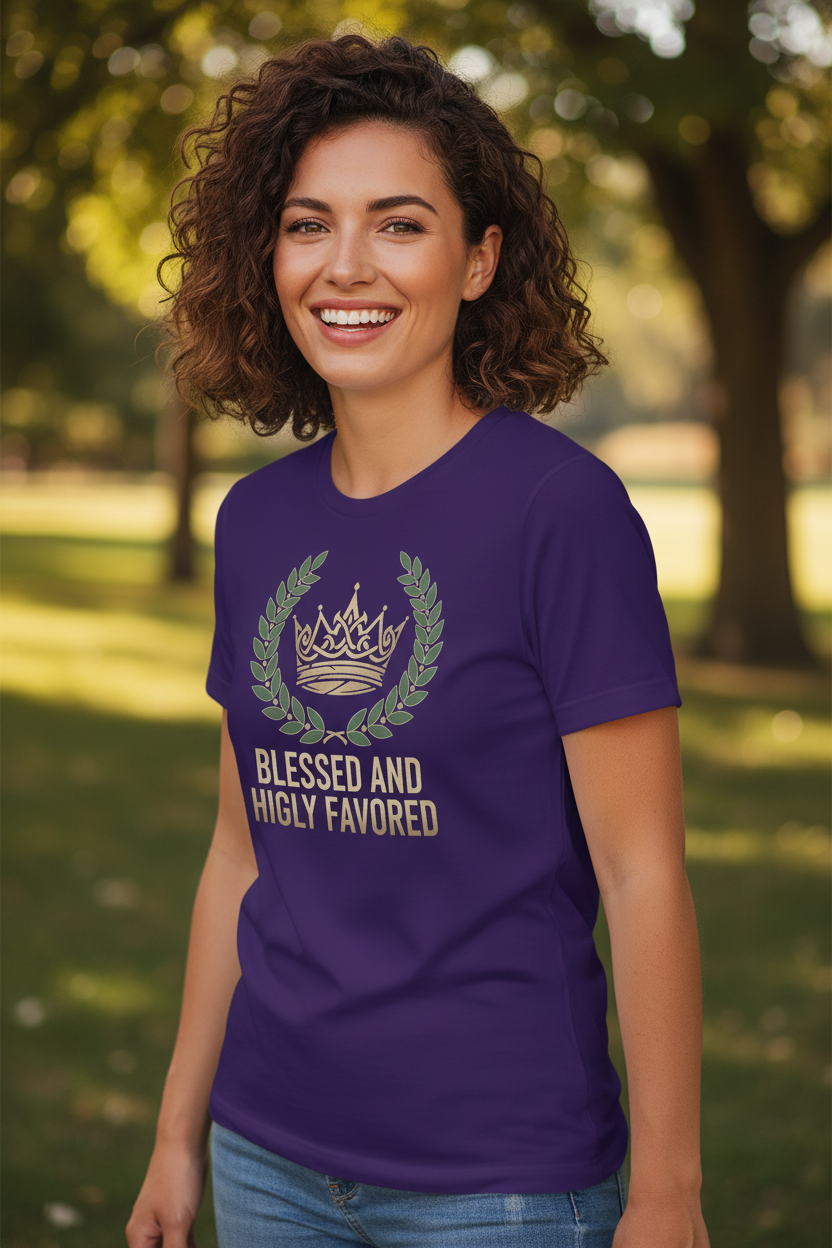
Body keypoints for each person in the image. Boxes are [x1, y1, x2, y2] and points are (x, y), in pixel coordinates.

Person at [127, 34, 710, 1248]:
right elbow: (238, 853)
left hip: (497, 1183)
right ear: (268, 255)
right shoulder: (257, 521)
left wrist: (666, 1194)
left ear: (478, 259)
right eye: (307, 225)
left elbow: (642, 874)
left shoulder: (560, 510)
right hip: (265, 1157)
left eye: (398, 224)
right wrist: (179, 1135)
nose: (346, 265)